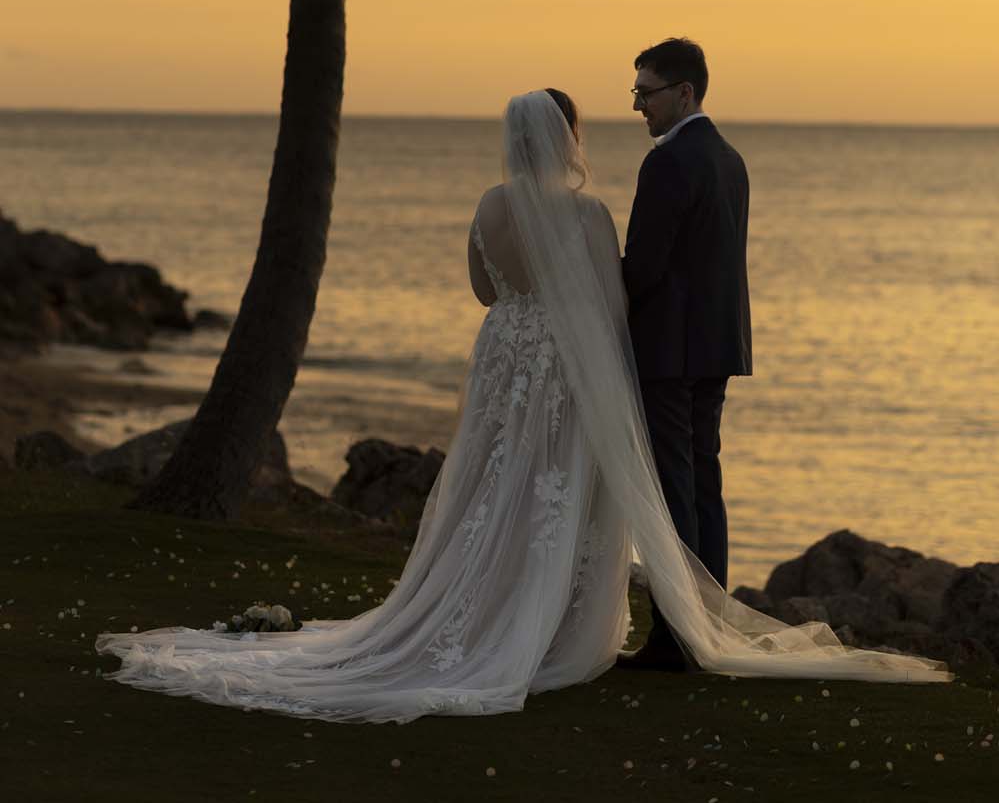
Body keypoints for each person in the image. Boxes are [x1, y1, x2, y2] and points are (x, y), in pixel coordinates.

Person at [95, 91, 948, 723]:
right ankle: (554, 629)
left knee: (493, 485)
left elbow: (481, 289)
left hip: (504, 353)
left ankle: (483, 608)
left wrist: (520, 313)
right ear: (566, 139)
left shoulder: (488, 206)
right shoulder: (585, 212)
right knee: (558, 492)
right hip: (567, 364)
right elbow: (611, 303)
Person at [619, 38, 749, 672]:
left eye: (647, 92)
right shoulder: (730, 159)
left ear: (684, 93)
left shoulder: (668, 164)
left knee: (674, 491)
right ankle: (708, 628)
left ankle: (675, 640)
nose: (639, 105)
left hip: (669, 350)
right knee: (703, 485)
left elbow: (643, 266)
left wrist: (593, 282)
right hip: (716, 346)